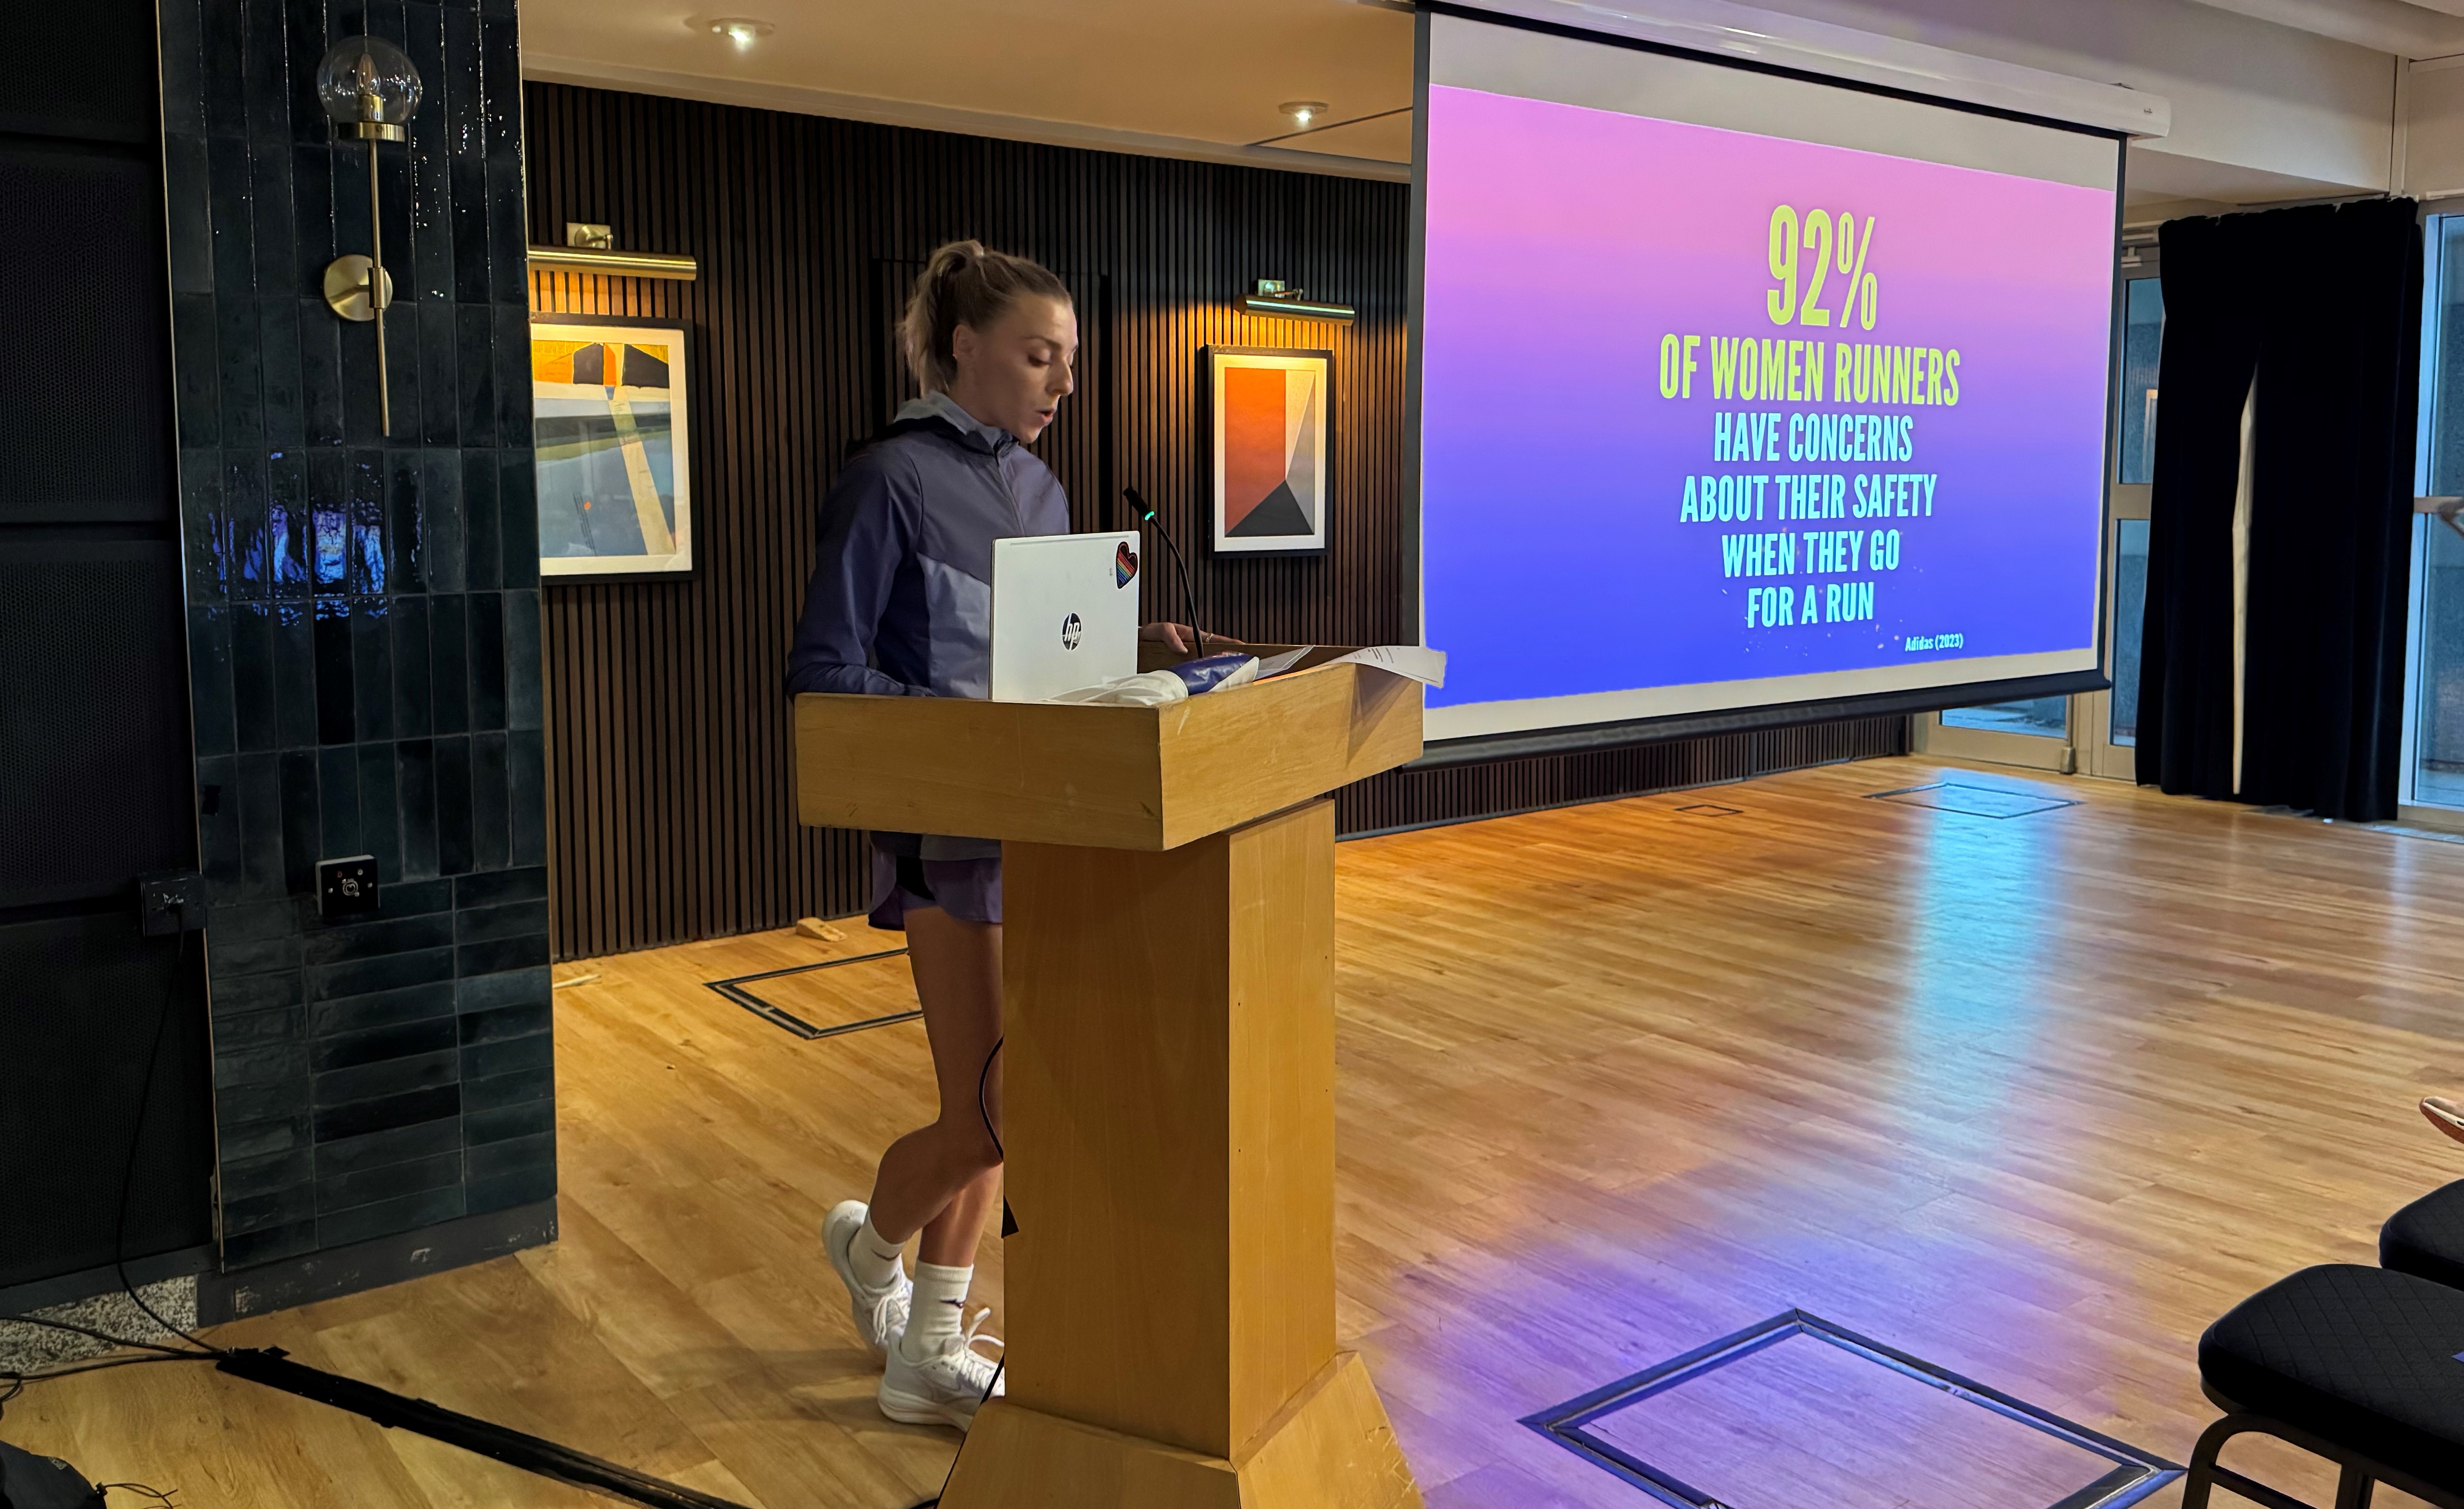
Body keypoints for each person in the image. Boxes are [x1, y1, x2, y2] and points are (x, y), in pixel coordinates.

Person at [785, 240, 1208, 1431]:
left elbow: (1045, 661)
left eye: (1068, 359)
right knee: (990, 1111)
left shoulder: (1046, 490)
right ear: (962, 348)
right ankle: (878, 1257)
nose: (1062, 383)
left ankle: (921, 1332)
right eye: (1038, 356)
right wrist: (971, 719)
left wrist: (1136, 649)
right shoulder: (887, 479)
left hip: (1054, 833)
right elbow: (826, 672)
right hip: (949, 835)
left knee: (1014, 1099)